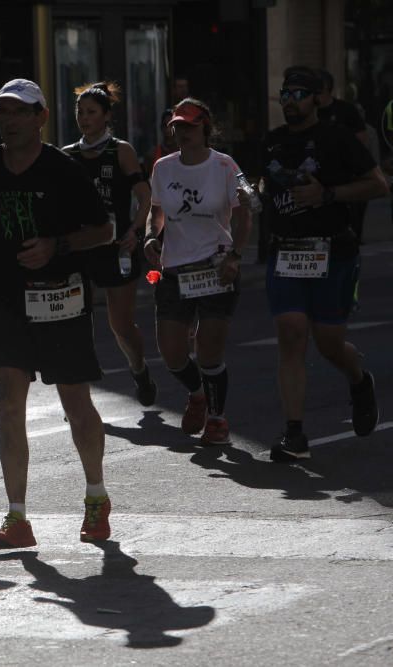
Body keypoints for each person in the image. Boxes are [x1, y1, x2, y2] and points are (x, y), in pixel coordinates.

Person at [0, 78, 114, 548]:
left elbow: (104, 230)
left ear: (40, 118)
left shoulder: (63, 170)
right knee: (9, 403)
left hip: (59, 295)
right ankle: (17, 518)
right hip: (6, 294)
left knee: (74, 401)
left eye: (19, 112)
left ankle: (95, 496)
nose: (8, 121)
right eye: (2, 112)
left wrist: (56, 245)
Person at [252, 67, 387, 462]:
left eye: (299, 93)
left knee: (328, 343)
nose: (290, 100)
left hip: (332, 251)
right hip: (286, 251)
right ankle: (295, 434)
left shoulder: (336, 138)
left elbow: (378, 184)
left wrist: (329, 194)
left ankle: (360, 381)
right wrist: (253, 198)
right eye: (286, 93)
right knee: (292, 333)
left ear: (316, 99)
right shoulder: (273, 143)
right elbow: (265, 185)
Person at [143, 98, 252, 446]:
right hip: (175, 269)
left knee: (208, 349)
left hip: (216, 267)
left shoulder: (224, 166)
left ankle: (217, 419)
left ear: (206, 127)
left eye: (190, 126)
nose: (183, 132)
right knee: (171, 352)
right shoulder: (163, 167)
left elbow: (245, 211)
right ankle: (197, 394)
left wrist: (236, 255)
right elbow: (155, 210)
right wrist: (150, 235)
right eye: (177, 126)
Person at [63, 81, 157, 407]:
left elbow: (144, 196)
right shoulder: (68, 156)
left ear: (106, 116)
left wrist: (135, 231)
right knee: (75, 322)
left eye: (91, 112)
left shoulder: (121, 151)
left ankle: (139, 368)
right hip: (81, 247)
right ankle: (80, 392)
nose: (84, 118)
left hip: (118, 247)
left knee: (120, 325)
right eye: (80, 112)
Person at [316, 69, 370, 242]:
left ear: (327, 90)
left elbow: (362, 137)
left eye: (318, 90)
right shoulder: (310, 113)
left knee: (351, 219)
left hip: (346, 176)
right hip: (319, 175)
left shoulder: (346, 110)